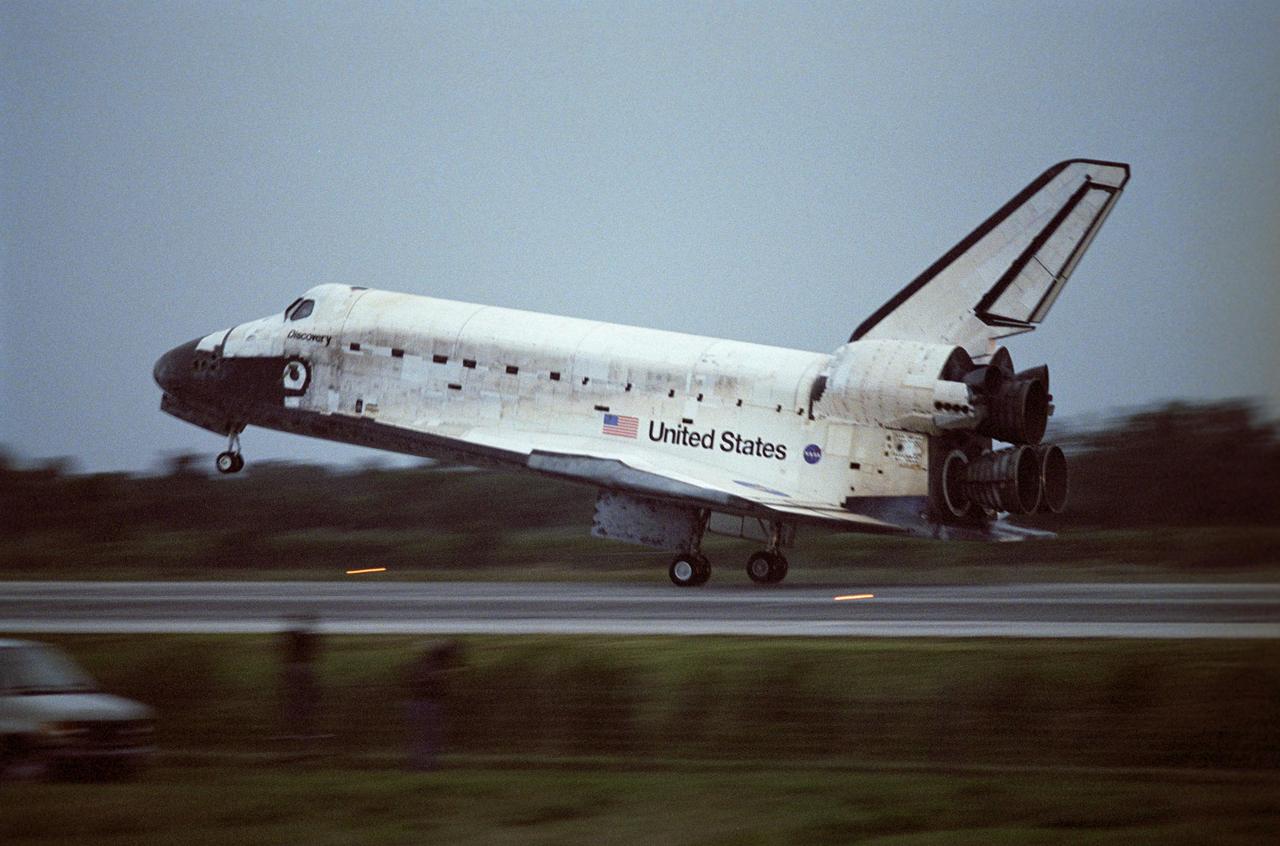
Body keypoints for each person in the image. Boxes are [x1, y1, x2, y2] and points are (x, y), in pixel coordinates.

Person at [405, 640, 462, 771]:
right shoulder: (434, 668)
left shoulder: (421, 666)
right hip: (428, 705)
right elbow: (435, 685)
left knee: (421, 736)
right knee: (429, 736)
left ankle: (418, 765)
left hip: (417, 704)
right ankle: (426, 765)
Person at [279, 613, 321, 741]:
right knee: (303, 701)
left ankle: (296, 729)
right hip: (303, 668)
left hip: (295, 668)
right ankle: (304, 730)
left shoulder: (294, 637)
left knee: (296, 700)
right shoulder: (306, 639)